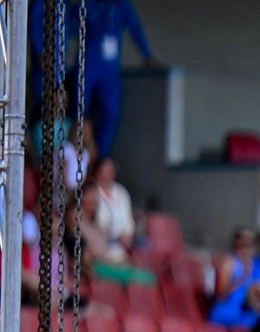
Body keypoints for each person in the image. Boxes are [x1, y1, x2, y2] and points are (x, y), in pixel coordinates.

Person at [77, 0, 152, 156]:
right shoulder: (88, 4)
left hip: (109, 70)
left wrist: (147, 55)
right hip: (88, 64)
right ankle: (76, 154)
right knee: (80, 111)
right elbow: (67, 23)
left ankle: (98, 156)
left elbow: (135, 29)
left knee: (110, 113)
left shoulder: (122, 5)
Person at [88, 158, 136, 259]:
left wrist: (127, 236)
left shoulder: (122, 192)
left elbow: (129, 220)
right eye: (106, 169)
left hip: (123, 245)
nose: (109, 172)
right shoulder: (92, 194)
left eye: (111, 169)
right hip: (101, 245)